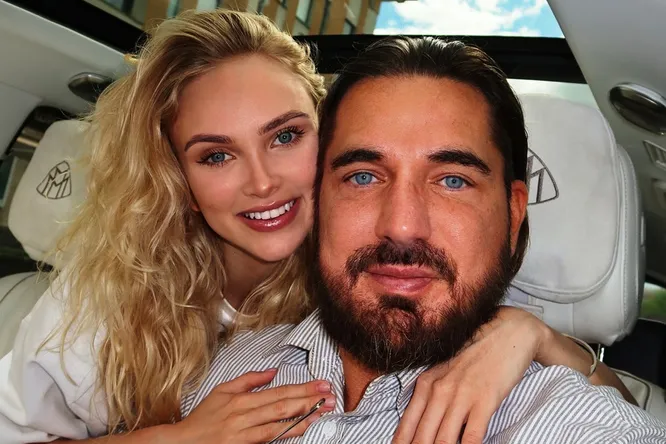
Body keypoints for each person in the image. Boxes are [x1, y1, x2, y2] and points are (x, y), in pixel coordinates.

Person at [0, 9, 634, 444]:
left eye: (285, 137)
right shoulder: (102, 304)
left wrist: (530, 334)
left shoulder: (391, 282)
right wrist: (180, 438)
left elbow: (605, 417)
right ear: (180, 182)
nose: (262, 183)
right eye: (216, 156)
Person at [178, 34, 666, 444]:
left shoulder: (570, 423)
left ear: (513, 216)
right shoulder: (229, 368)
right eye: (363, 177)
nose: (402, 225)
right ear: (318, 199)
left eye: (452, 180)